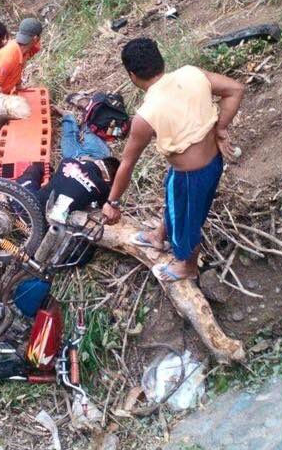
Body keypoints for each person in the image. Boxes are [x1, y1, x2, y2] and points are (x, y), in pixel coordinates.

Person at [101, 37, 244, 282]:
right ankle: (159, 236)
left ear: (132, 75)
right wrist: (220, 127)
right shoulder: (192, 74)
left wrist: (112, 203)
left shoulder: (146, 115)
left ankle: (187, 266)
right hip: (209, 164)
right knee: (173, 200)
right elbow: (235, 89)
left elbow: (127, 164)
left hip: (191, 177)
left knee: (186, 224)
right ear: (161, 61)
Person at [0, 17, 42, 97]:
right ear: (35, 38)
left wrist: (18, 85)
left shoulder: (24, 51)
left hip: (0, 93)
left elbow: (17, 70)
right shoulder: (9, 57)